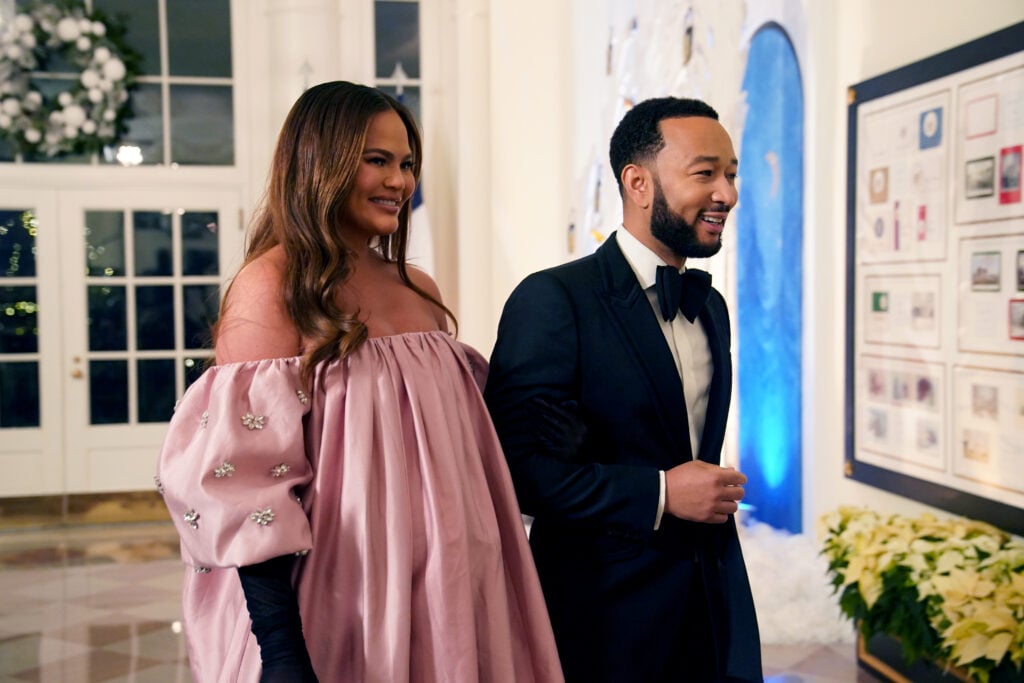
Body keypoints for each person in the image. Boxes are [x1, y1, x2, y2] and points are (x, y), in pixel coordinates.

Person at [156, 81, 563, 683]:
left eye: (406, 164)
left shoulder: (420, 292)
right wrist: (281, 648)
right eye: (377, 160)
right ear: (319, 163)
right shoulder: (272, 289)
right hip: (343, 602)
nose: (400, 181)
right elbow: (239, 480)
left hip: (453, 596)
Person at [484, 96, 762, 682]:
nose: (728, 195)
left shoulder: (710, 304)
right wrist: (660, 493)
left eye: (732, 174)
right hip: (603, 618)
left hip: (710, 603)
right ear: (638, 182)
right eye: (705, 173)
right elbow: (517, 470)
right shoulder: (553, 300)